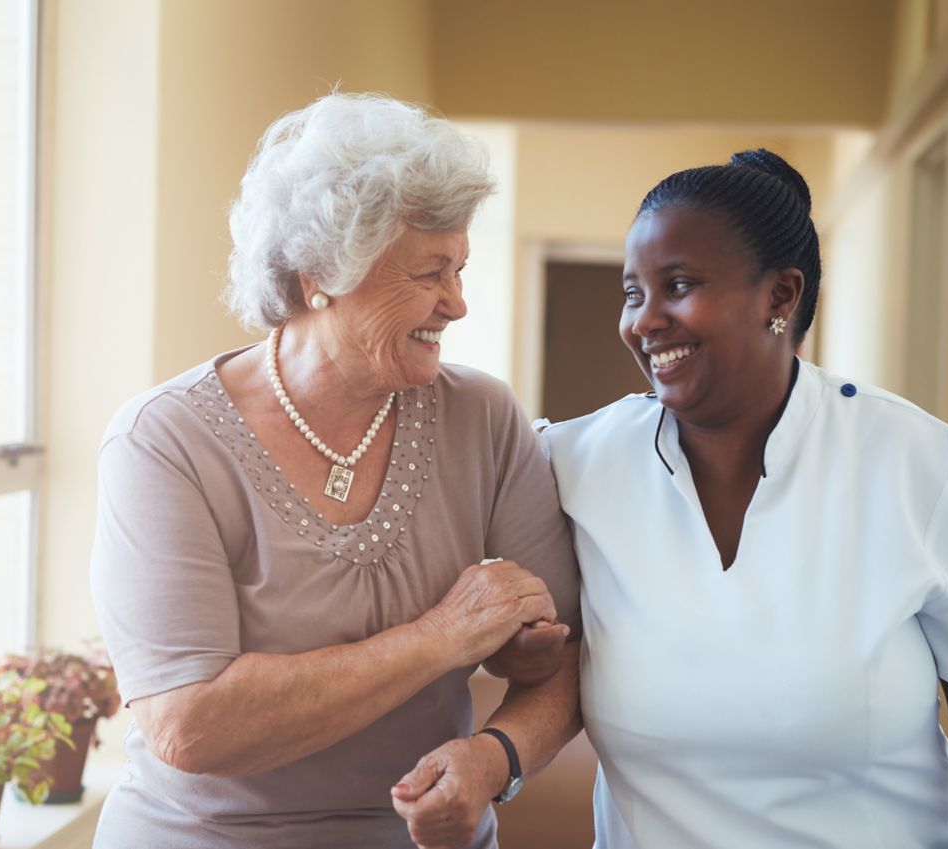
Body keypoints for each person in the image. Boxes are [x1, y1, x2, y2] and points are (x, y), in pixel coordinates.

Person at [400, 149, 948, 848]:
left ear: (780, 296)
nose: (643, 321)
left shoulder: (916, 462)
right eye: (632, 292)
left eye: (677, 285)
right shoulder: (572, 462)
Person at [88, 93, 581, 849]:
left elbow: (567, 655)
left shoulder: (481, 415)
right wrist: (441, 637)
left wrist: (493, 758)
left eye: (459, 268)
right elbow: (190, 725)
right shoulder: (165, 440)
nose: (456, 303)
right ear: (319, 273)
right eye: (429, 272)